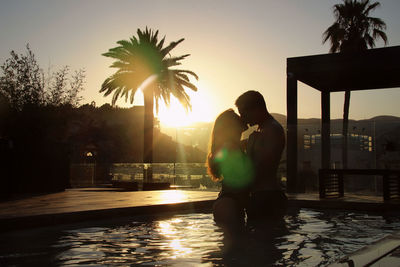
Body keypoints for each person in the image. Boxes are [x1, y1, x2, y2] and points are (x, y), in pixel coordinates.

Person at [235, 90, 287, 221]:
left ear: (255, 109)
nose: (242, 118)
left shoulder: (272, 130)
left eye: (243, 113)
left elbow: (262, 166)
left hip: (267, 198)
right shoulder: (261, 130)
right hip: (262, 195)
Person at [207, 109, 254, 231]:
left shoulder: (228, 148)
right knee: (236, 243)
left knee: (233, 244)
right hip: (229, 204)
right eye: (238, 128)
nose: (241, 132)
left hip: (227, 201)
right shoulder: (231, 148)